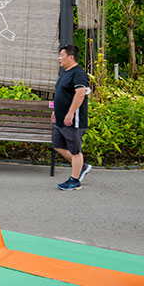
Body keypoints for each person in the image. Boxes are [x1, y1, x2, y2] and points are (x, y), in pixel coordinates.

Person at [53, 44, 92, 191]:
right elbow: (61, 95)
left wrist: (70, 113)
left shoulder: (79, 73)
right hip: (60, 118)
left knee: (75, 150)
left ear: (71, 57)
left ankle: (75, 180)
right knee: (57, 145)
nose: (59, 59)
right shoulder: (65, 73)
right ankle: (82, 166)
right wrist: (55, 111)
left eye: (61, 55)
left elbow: (80, 93)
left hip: (73, 119)